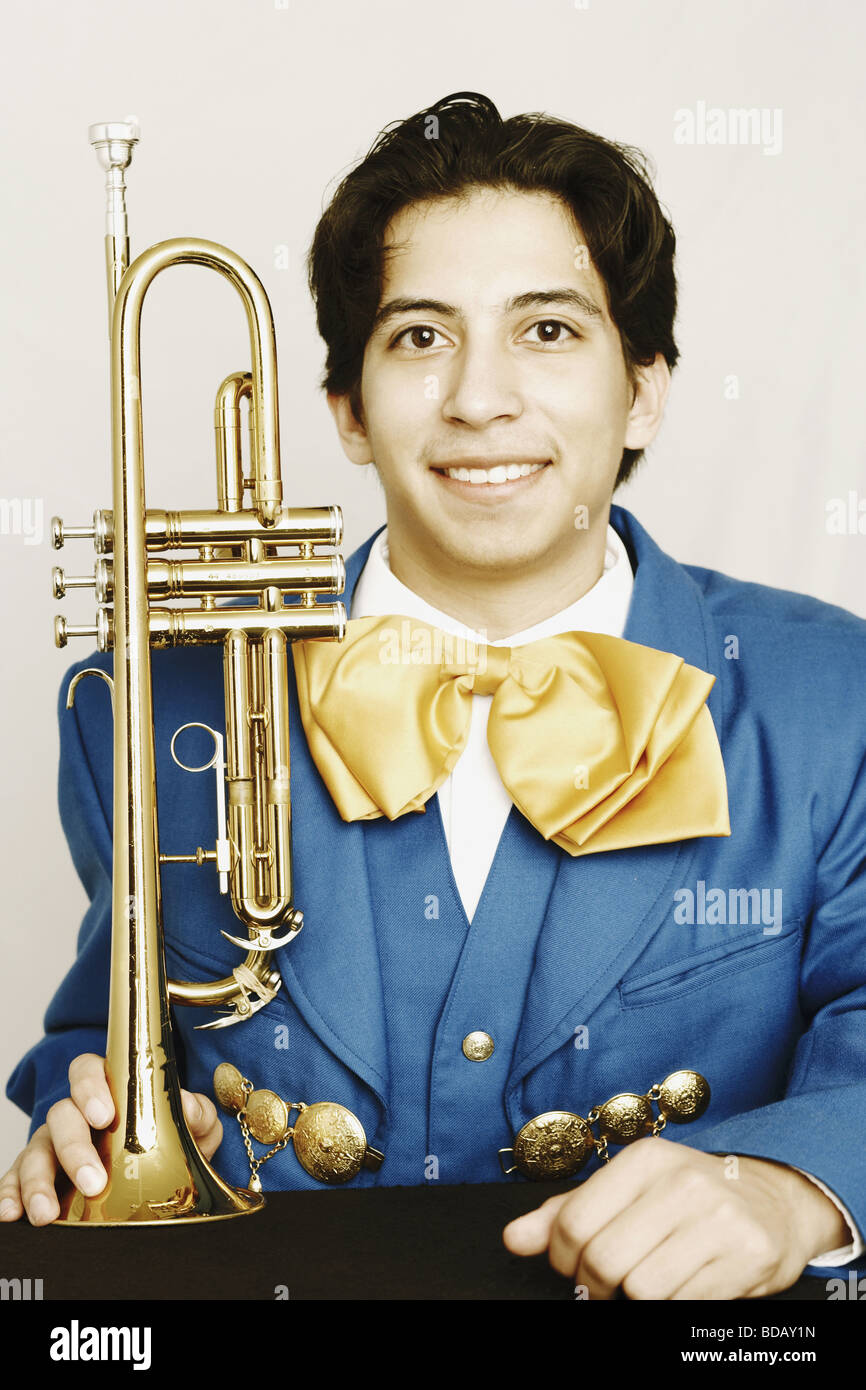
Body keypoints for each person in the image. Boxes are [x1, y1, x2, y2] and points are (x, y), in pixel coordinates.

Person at [4, 91, 866, 1301]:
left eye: (549, 332)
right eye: (418, 336)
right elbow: (96, 1034)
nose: (478, 399)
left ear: (648, 386)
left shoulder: (835, 695)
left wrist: (793, 1185)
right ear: (347, 411)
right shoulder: (135, 711)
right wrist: (79, 1114)